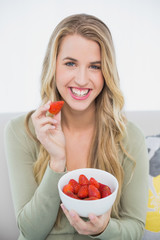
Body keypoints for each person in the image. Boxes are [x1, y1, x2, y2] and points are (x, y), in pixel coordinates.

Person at [4, 13, 149, 240]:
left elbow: (135, 228)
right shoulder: (20, 131)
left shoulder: (131, 138)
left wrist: (103, 229)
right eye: (70, 63)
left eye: (94, 66)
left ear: (107, 73)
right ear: (53, 66)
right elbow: (29, 232)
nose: (81, 80)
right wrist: (57, 162)